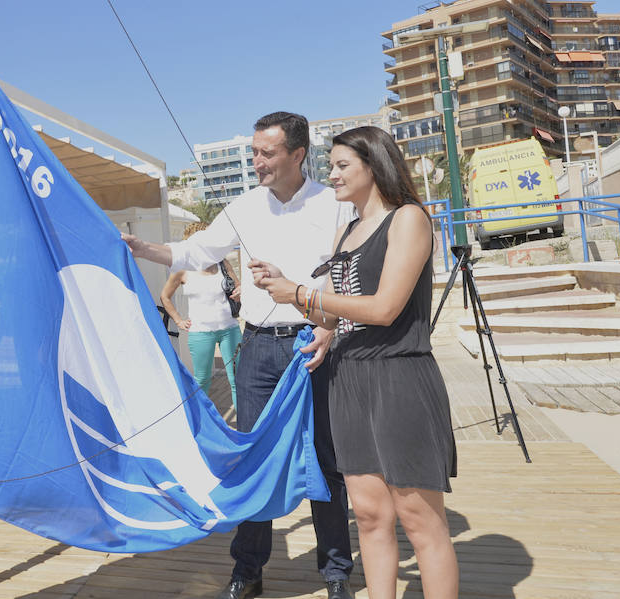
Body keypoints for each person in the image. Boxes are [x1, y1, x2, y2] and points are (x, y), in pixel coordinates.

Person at [123, 111, 355, 599]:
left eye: (266, 153)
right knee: (252, 459)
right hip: (257, 349)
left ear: (297, 155)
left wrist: (331, 328)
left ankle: (336, 574)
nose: (256, 161)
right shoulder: (244, 205)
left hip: (314, 344)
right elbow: (196, 253)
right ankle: (248, 571)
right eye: (254, 152)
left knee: (327, 459)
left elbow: (344, 272)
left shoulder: (335, 204)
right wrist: (143, 247)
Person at [251, 126, 458, 599]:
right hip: (349, 377)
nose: (332, 174)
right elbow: (337, 309)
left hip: (399, 375)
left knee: (419, 518)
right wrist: (294, 295)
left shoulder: (408, 220)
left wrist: (303, 293)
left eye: (343, 165)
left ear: (374, 164)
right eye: (332, 165)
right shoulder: (348, 230)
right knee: (368, 513)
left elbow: (385, 308)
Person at [160, 221, 242, 408]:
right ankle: (202, 427)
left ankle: (243, 428)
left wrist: (239, 292)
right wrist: (178, 320)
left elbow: (238, 287)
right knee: (202, 381)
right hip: (200, 332)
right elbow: (165, 296)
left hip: (230, 328)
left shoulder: (223, 263)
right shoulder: (182, 269)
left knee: (237, 379)